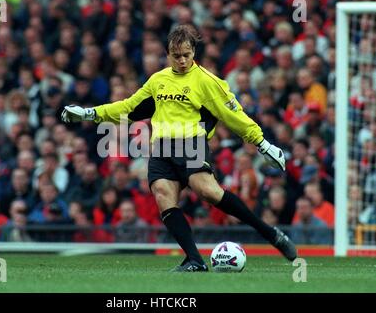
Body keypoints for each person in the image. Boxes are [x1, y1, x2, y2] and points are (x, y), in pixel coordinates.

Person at [61, 25, 297, 272]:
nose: (182, 60)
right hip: (161, 147)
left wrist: (262, 143)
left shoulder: (207, 82)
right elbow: (129, 108)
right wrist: (90, 113)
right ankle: (194, 260)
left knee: (207, 191)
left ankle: (270, 234)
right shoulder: (158, 80)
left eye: (186, 54)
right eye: (176, 56)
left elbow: (233, 115)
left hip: (191, 143)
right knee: (163, 194)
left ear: (194, 51)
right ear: (168, 55)